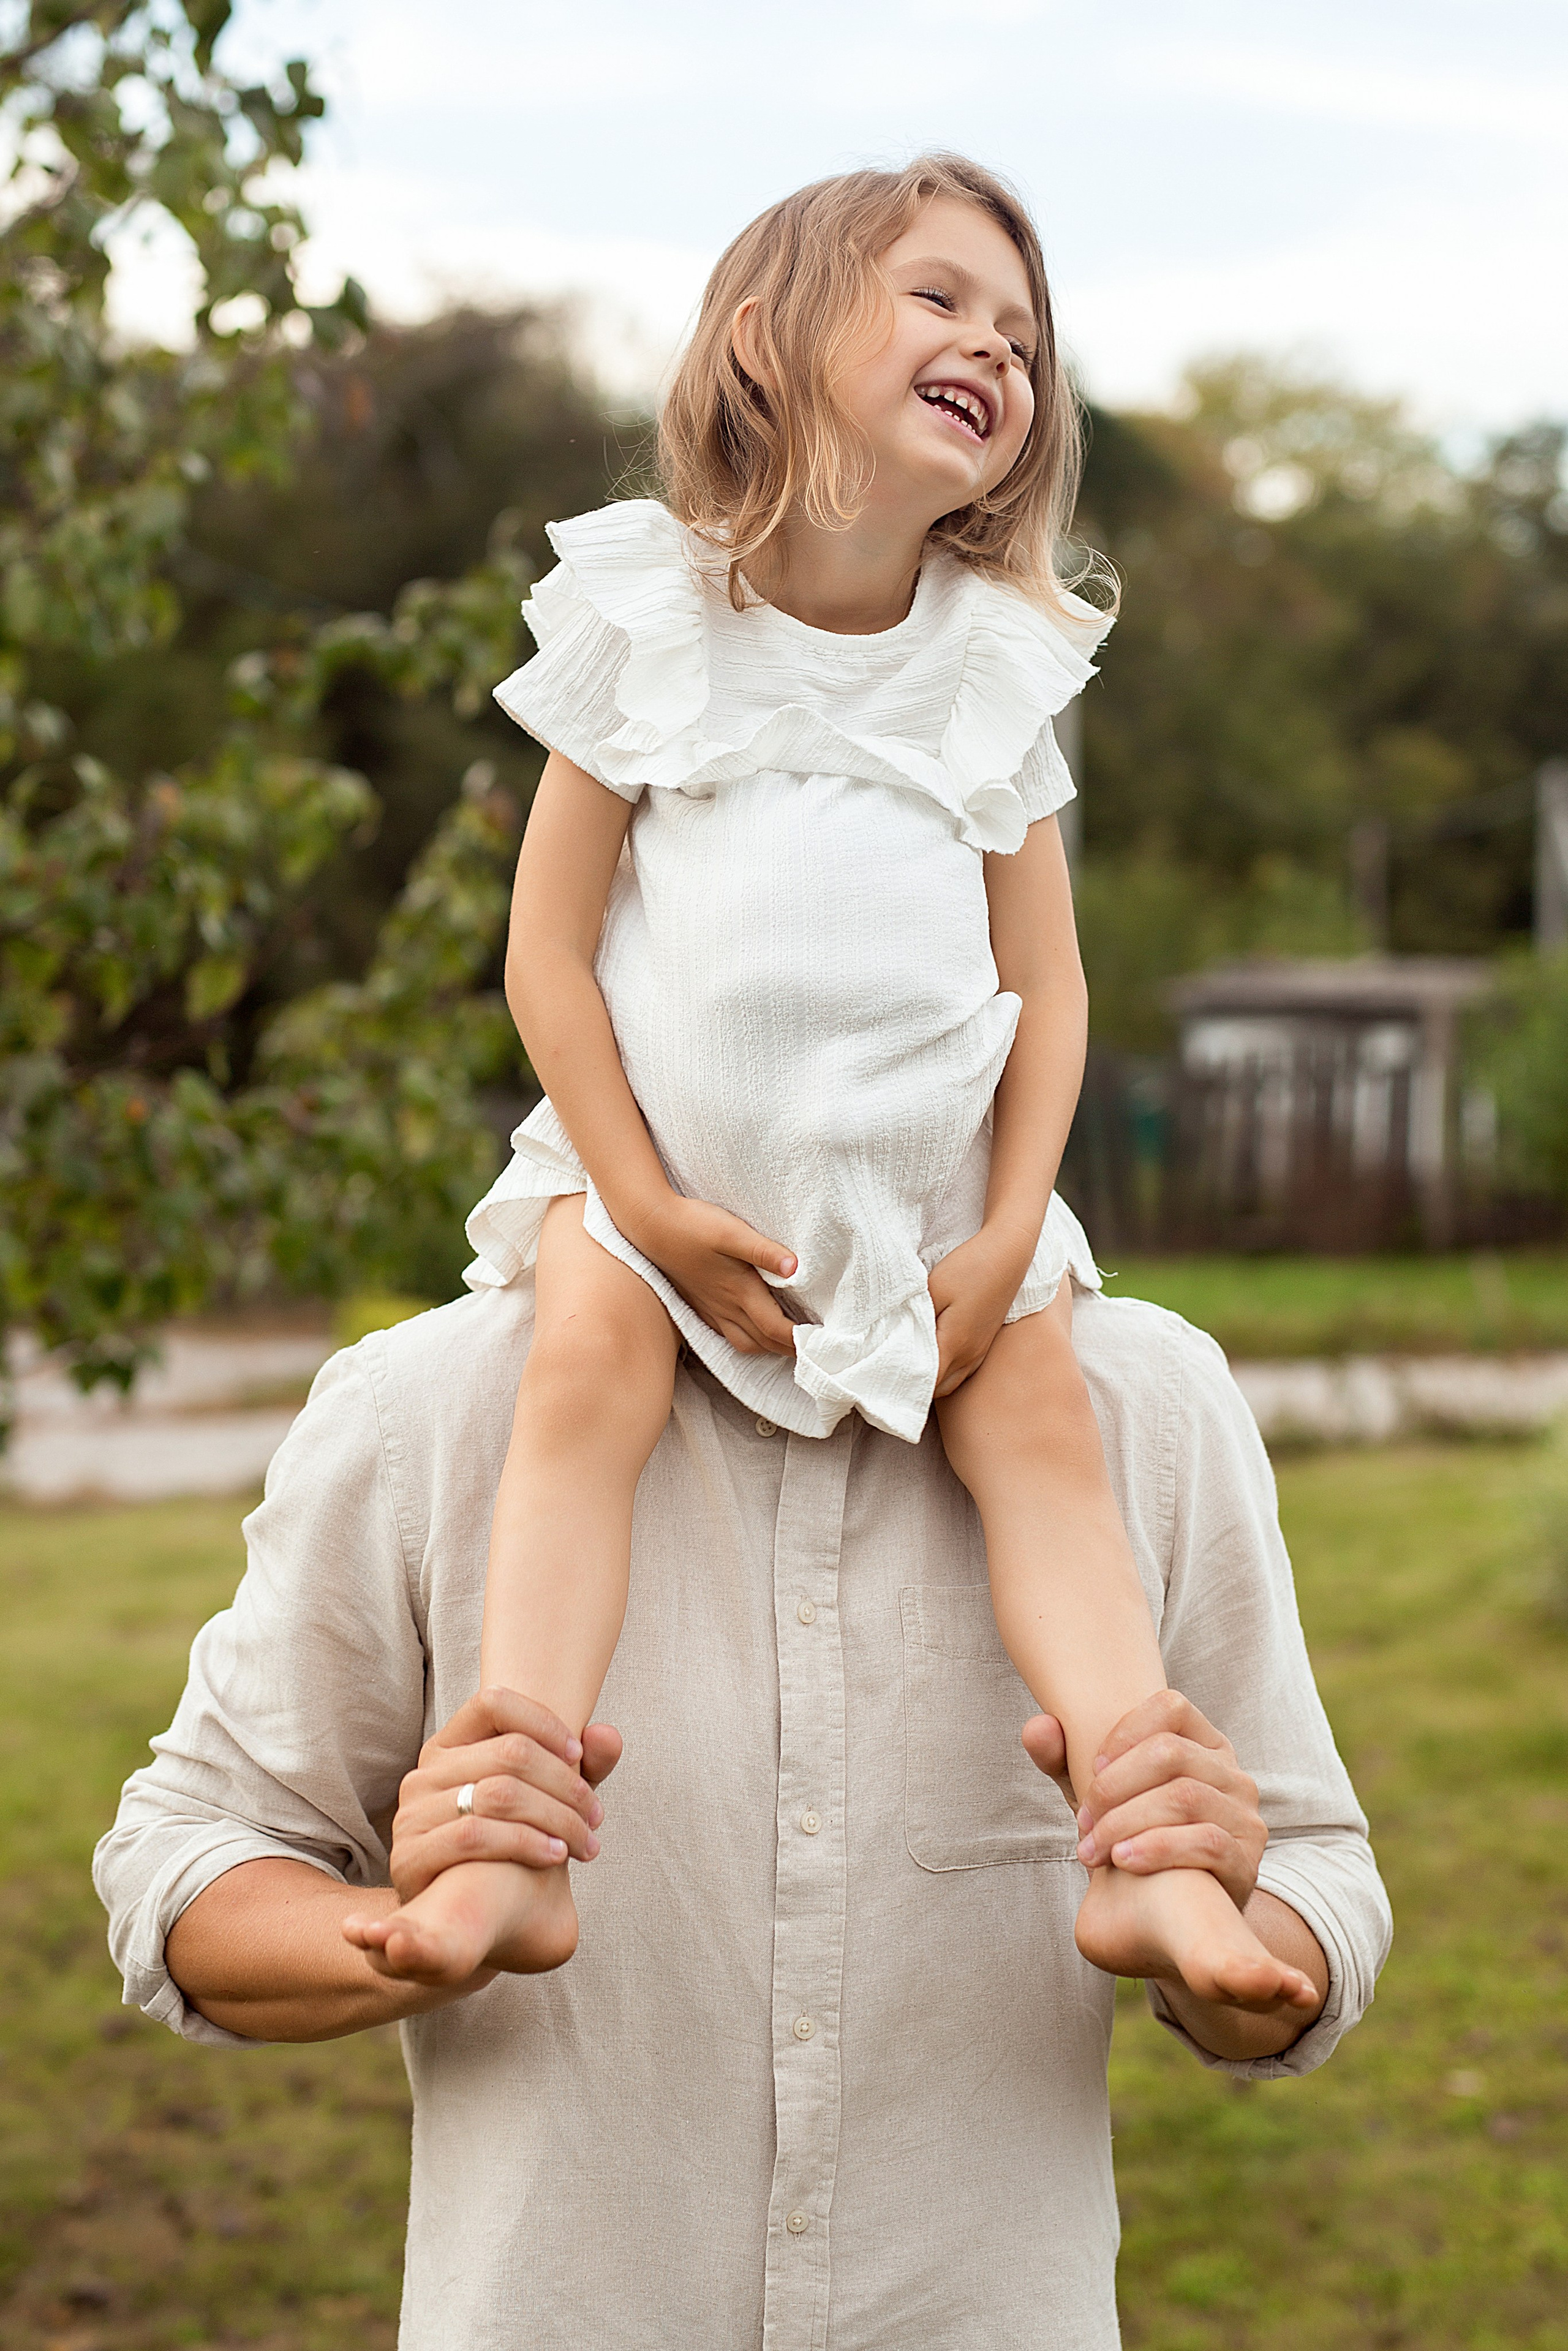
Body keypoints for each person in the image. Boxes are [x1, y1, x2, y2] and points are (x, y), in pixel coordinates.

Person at [339, 154, 1318, 2018]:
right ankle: (505, 1847)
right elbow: (547, 951)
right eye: (942, 298)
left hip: (937, 1202)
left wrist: (1010, 1228)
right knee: (576, 1387)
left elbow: (1048, 984)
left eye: (1022, 333)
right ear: (762, 342)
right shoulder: (649, 614)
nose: (995, 348)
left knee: (1046, 1444)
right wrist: (633, 1199)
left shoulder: (995, 665)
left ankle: (1158, 1867)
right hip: (651, 1184)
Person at [94, 1279, 1390, 2347]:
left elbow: (1318, 1873)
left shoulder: (1145, 1403)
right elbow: (184, 1855)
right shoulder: (422, 1409)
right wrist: (411, 1930)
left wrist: (1223, 1913)